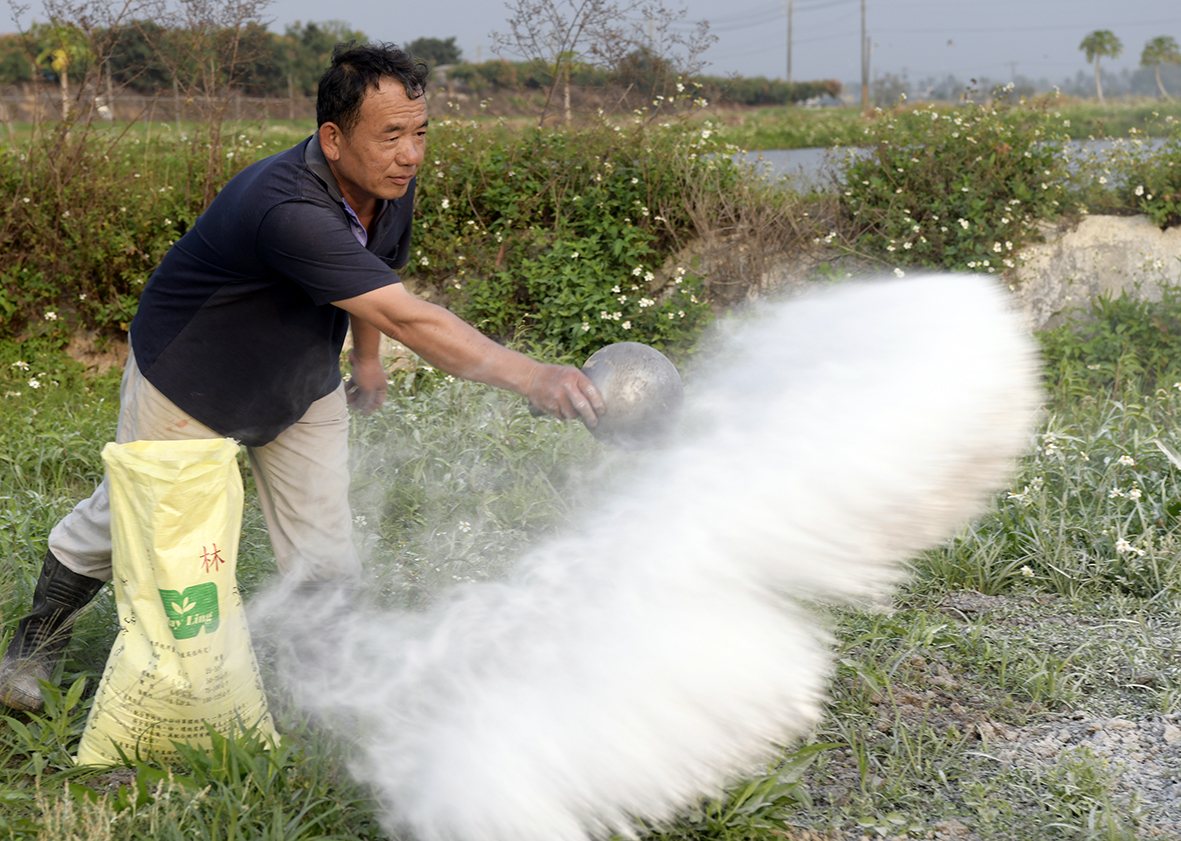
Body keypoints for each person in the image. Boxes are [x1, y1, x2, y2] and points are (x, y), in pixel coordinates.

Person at [0, 42, 605, 713]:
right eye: (392, 136)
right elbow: (411, 317)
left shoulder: (387, 189)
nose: (410, 154)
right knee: (129, 517)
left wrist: (366, 359)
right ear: (333, 139)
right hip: (191, 378)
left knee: (323, 543)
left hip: (298, 380)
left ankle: (325, 684)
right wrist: (532, 376)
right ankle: (33, 647)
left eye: (420, 133)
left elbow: (375, 285)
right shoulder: (285, 205)